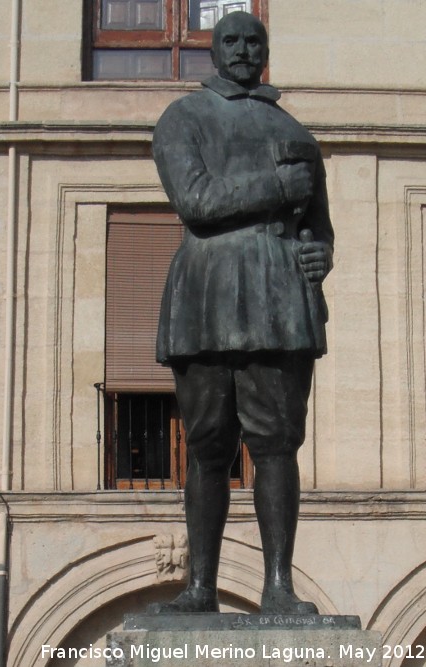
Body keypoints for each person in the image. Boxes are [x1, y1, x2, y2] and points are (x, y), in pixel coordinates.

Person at [151, 11, 334, 614]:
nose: (242, 49)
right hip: (205, 295)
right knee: (207, 445)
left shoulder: (297, 133)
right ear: (213, 49)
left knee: (277, 444)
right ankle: (201, 585)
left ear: (266, 51)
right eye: (230, 40)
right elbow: (196, 201)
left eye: (253, 40)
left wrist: (317, 253)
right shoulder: (185, 118)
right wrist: (277, 188)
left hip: (280, 298)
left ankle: (278, 585)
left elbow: (321, 231)